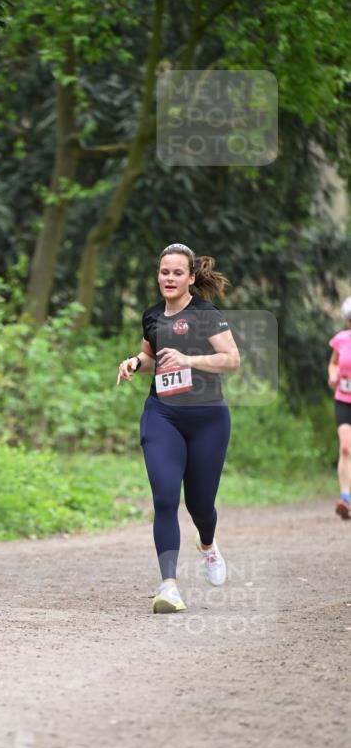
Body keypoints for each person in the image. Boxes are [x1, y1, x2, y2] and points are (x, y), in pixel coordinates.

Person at [117, 242, 241, 614]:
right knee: (165, 498)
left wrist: (189, 359)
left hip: (207, 419)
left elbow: (231, 359)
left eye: (177, 273)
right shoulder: (152, 315)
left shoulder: (206, 314)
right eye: (164, 272)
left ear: (190, 278)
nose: (169, 278)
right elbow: (152, 356)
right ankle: (168, 585)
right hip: (163, 414)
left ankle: (208, 544)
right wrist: (134, 362)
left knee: (200, 504)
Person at [328, 296, 351, 520]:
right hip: (344, 399)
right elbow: (334, 363)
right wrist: (333, 376)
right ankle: (345, 498)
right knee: (345, 447)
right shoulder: (341, 339)